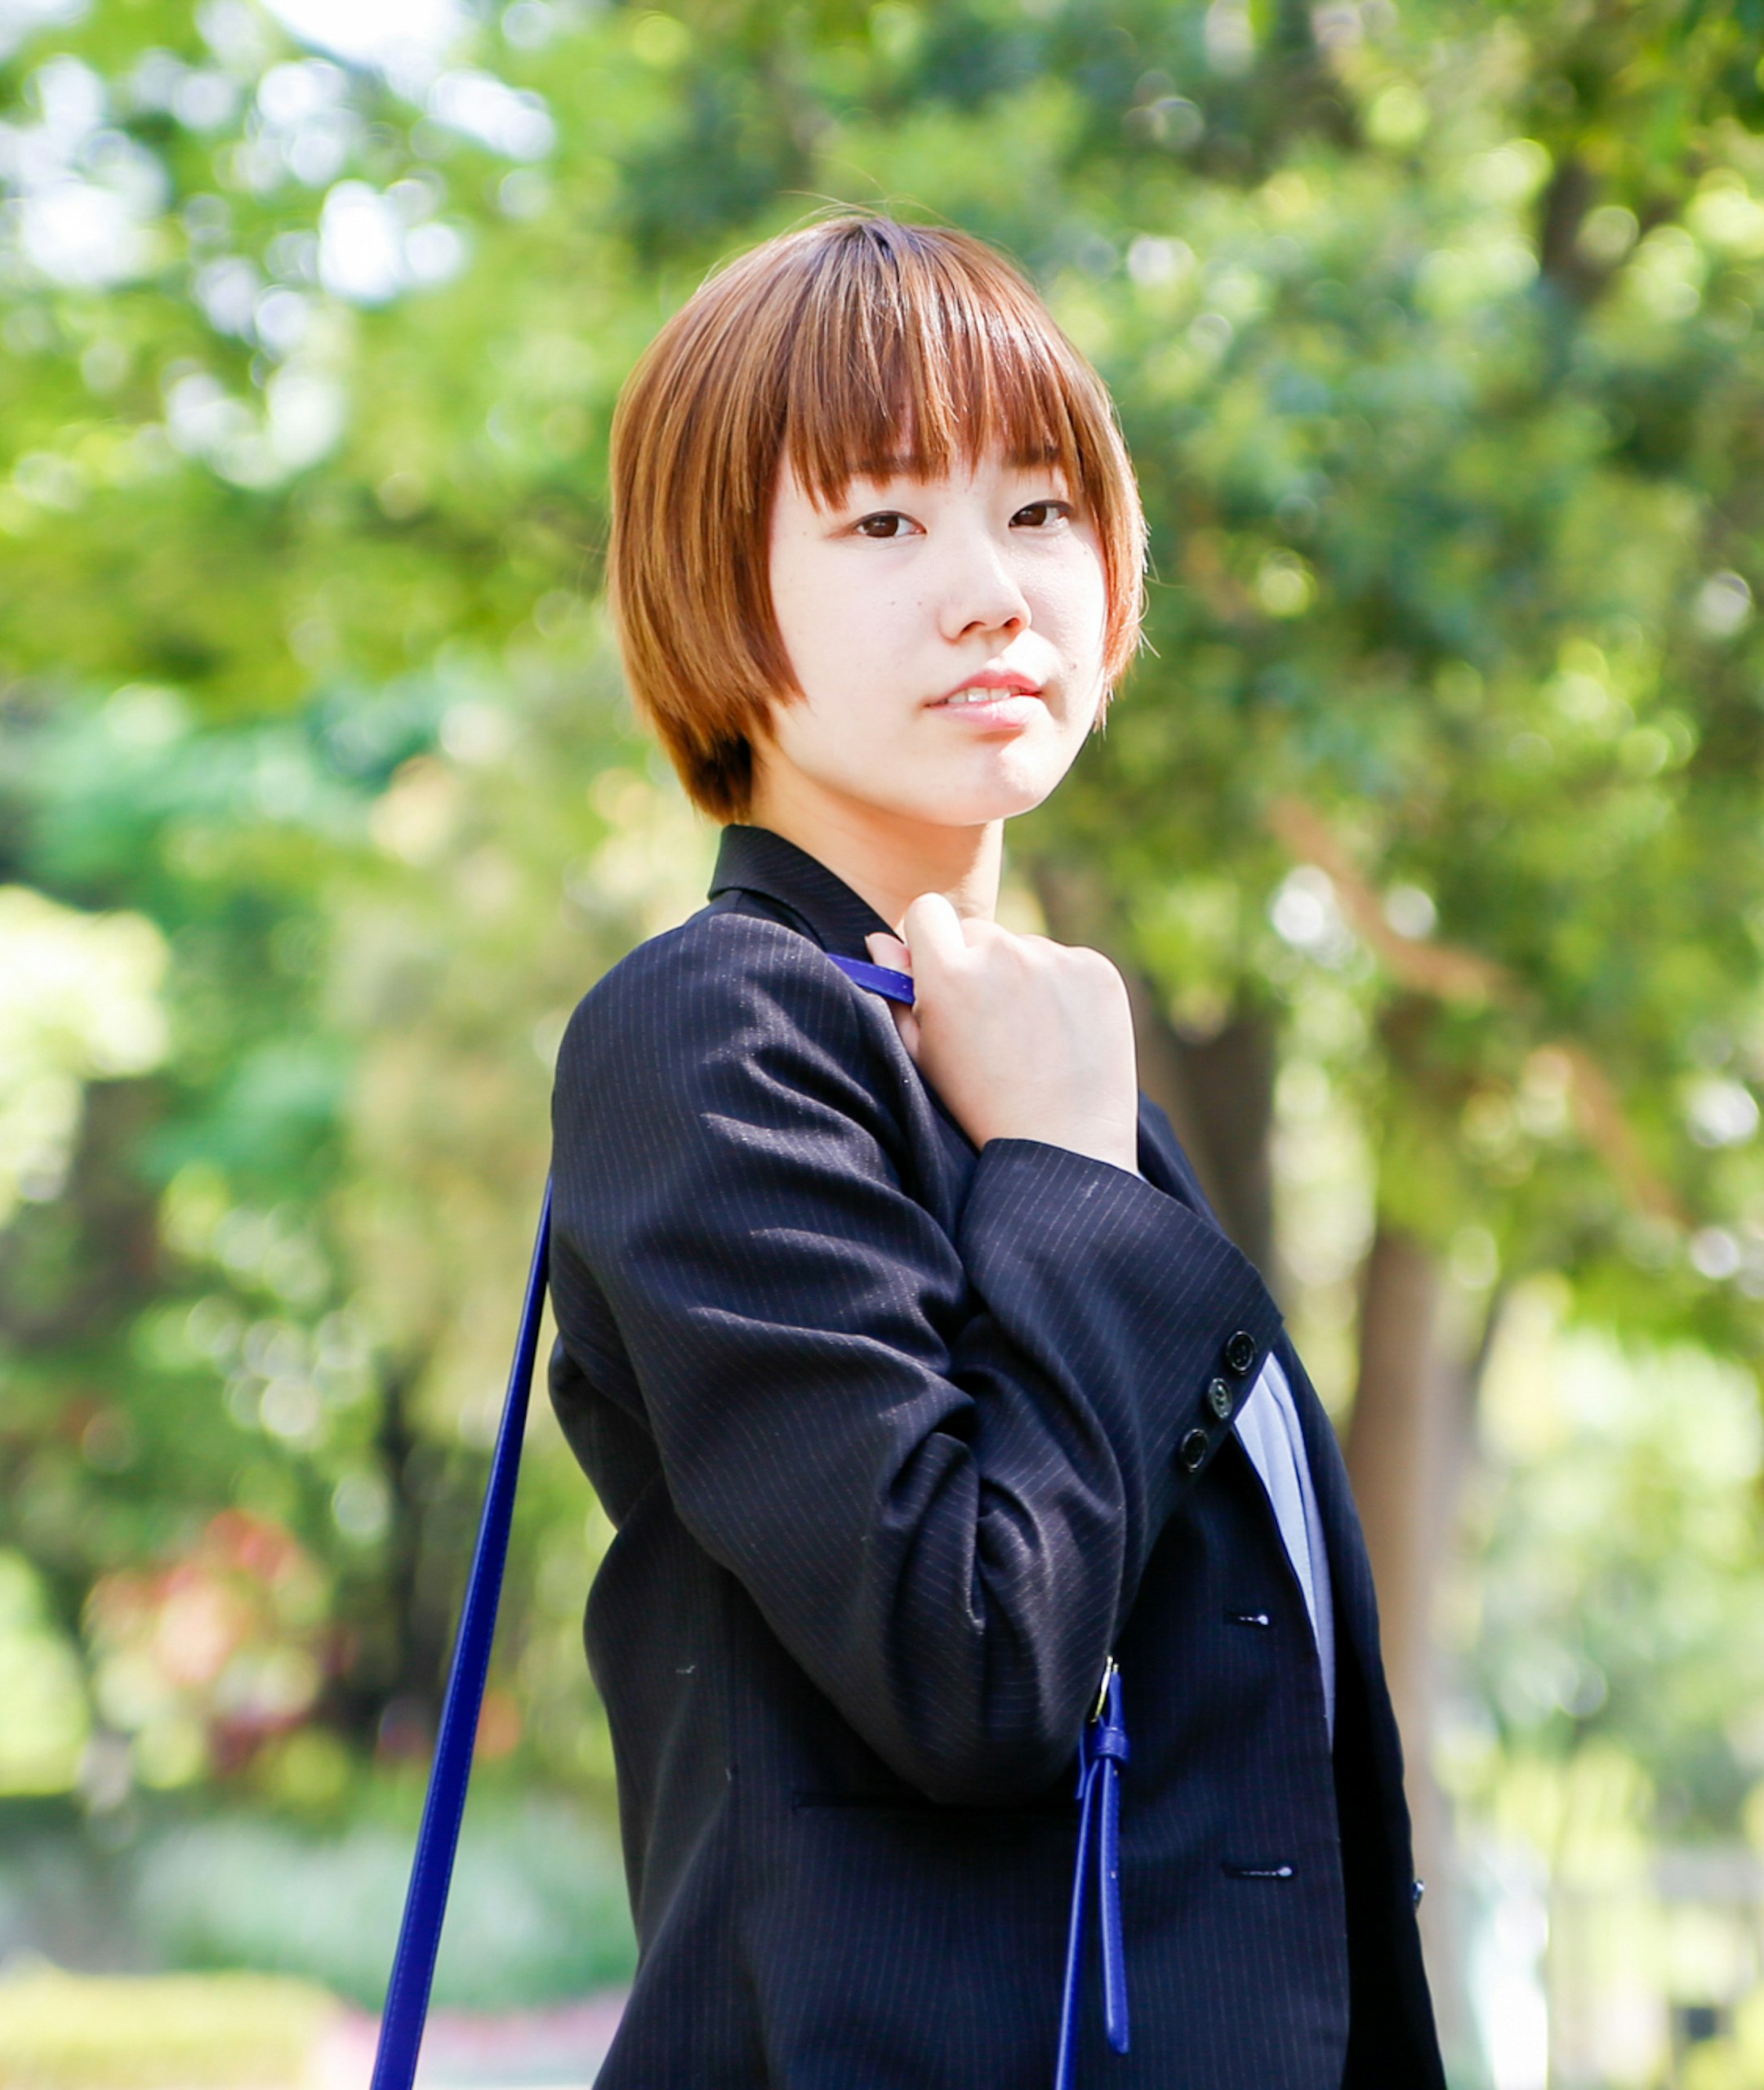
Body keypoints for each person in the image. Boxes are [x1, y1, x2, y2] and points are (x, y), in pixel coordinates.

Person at [545, 213, 1445, 2088]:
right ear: (719, 588)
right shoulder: (723, 1026)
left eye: (1039, 508)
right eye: (883, 522)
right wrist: (1065, 1185)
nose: (991, 589)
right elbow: (972, 1665)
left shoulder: (1025, 1057)